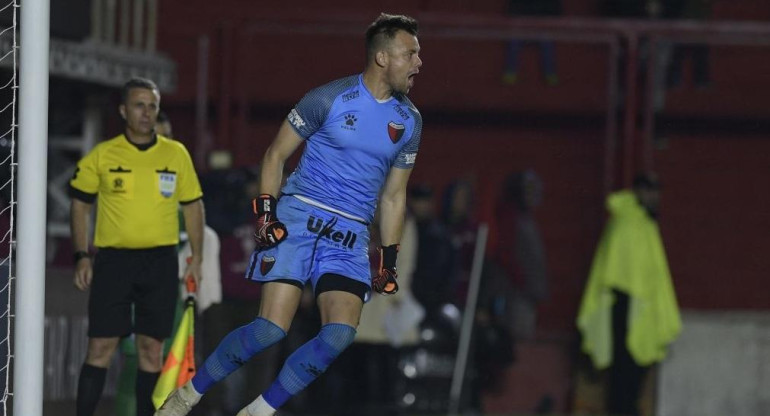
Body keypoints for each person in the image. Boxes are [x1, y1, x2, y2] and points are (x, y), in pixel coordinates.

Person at [155, 12, 423, 416]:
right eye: (411, 53)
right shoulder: (328, 98)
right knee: (269, 330)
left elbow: (394, 197)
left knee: (338, 335)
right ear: (383, 57)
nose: (419, 62)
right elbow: (275, 156)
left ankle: (259, 411)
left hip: (349, 235)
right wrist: (266, 214)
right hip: (299, 219)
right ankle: (189, 394)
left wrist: (388, 258)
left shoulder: (410, 121)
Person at [69, 77, 205, 416]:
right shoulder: (103, 154)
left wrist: (196, 258)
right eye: (139, 105)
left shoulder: (175, 154)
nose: (146, 113)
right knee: (101, 346)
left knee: (151, 349)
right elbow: (80, 204)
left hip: (159, 262)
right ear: (123, 110)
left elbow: (193, 206)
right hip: (114, 261)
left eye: (152, 106)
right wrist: (82, 255)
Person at [576, 173, 681, 416]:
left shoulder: (643, 223)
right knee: (624, 379)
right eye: (651, 191)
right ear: (639, 191)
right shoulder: (626, 223)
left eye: (657, 191)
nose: (655, 197)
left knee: (631, 382)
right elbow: (621, 276)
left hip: (638, 310)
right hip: (625, 310)